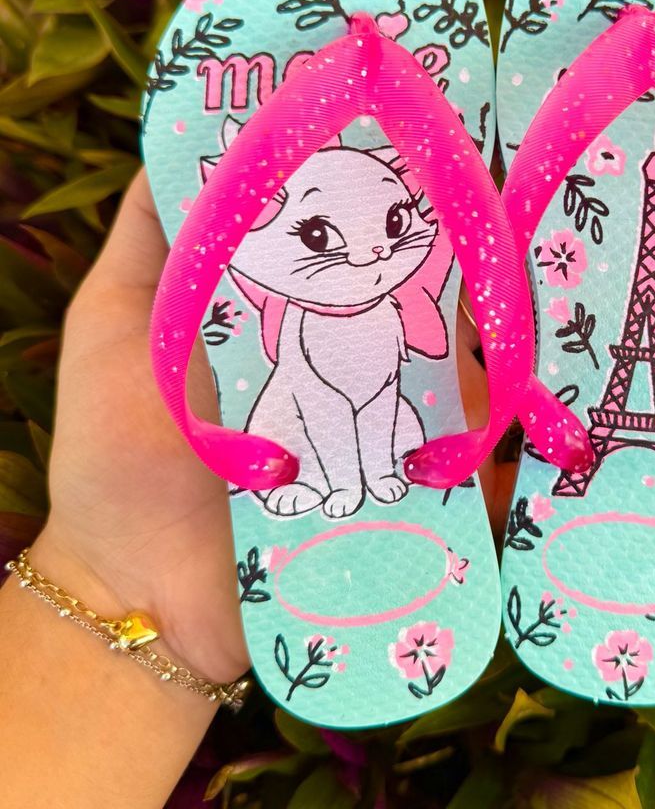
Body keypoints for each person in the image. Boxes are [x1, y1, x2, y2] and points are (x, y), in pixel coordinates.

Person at [0, 171, 505, 807]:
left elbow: (382, 394)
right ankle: (349, 479)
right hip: (277, 469)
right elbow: (313, 403)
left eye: (395, 224)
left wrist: (115, 579)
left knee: (388, 406)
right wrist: (117, 576)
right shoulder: (300, 317)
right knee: (315, 410)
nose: (373, 250)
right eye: (320, 234)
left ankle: (372, 474)